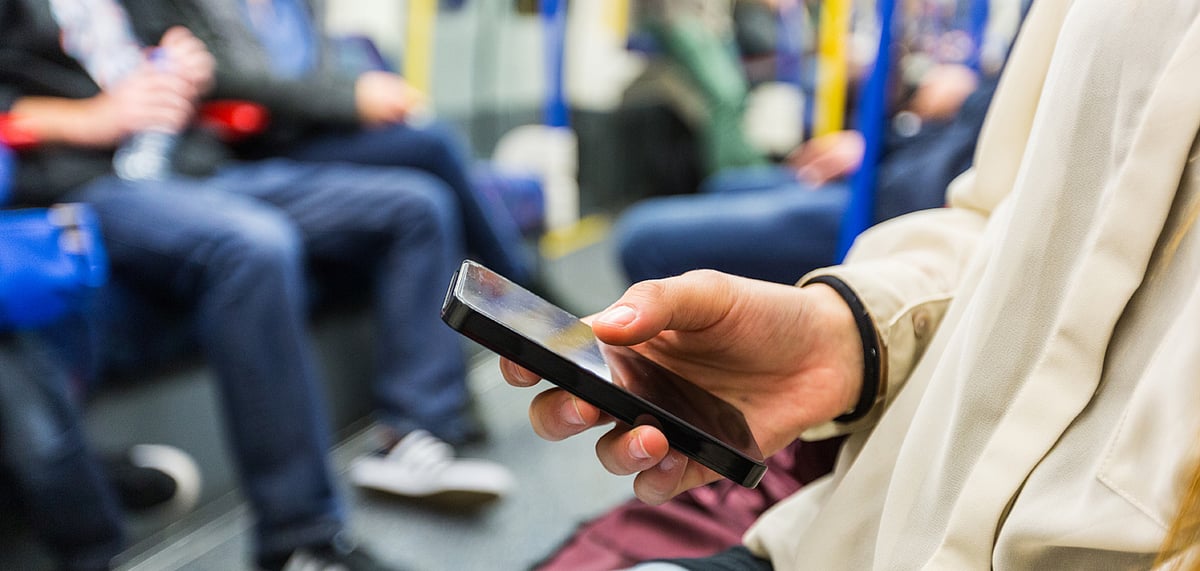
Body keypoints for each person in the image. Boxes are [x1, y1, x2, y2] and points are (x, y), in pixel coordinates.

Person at [503, 0, 1200, 568]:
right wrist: (852, 333)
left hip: (887, 205)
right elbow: (1006, 219)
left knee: (653, 236)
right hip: (858, 531)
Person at [0, 0, 476, 567]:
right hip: (94, 182)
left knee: (415, 204)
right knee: (254, 246)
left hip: (194, 165)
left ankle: (412, 433)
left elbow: (193, 55)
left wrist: (186, 64)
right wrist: (88, 118)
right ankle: (298, 535)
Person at [120, 0, 536, 288]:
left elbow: (318, 69)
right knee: (427, 161)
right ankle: (521, 287)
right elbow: (225, 78)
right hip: (259, 141)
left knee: (426, 153)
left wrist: (359, 95)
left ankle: (515, 290)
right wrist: (351, 101)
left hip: (313, 129)